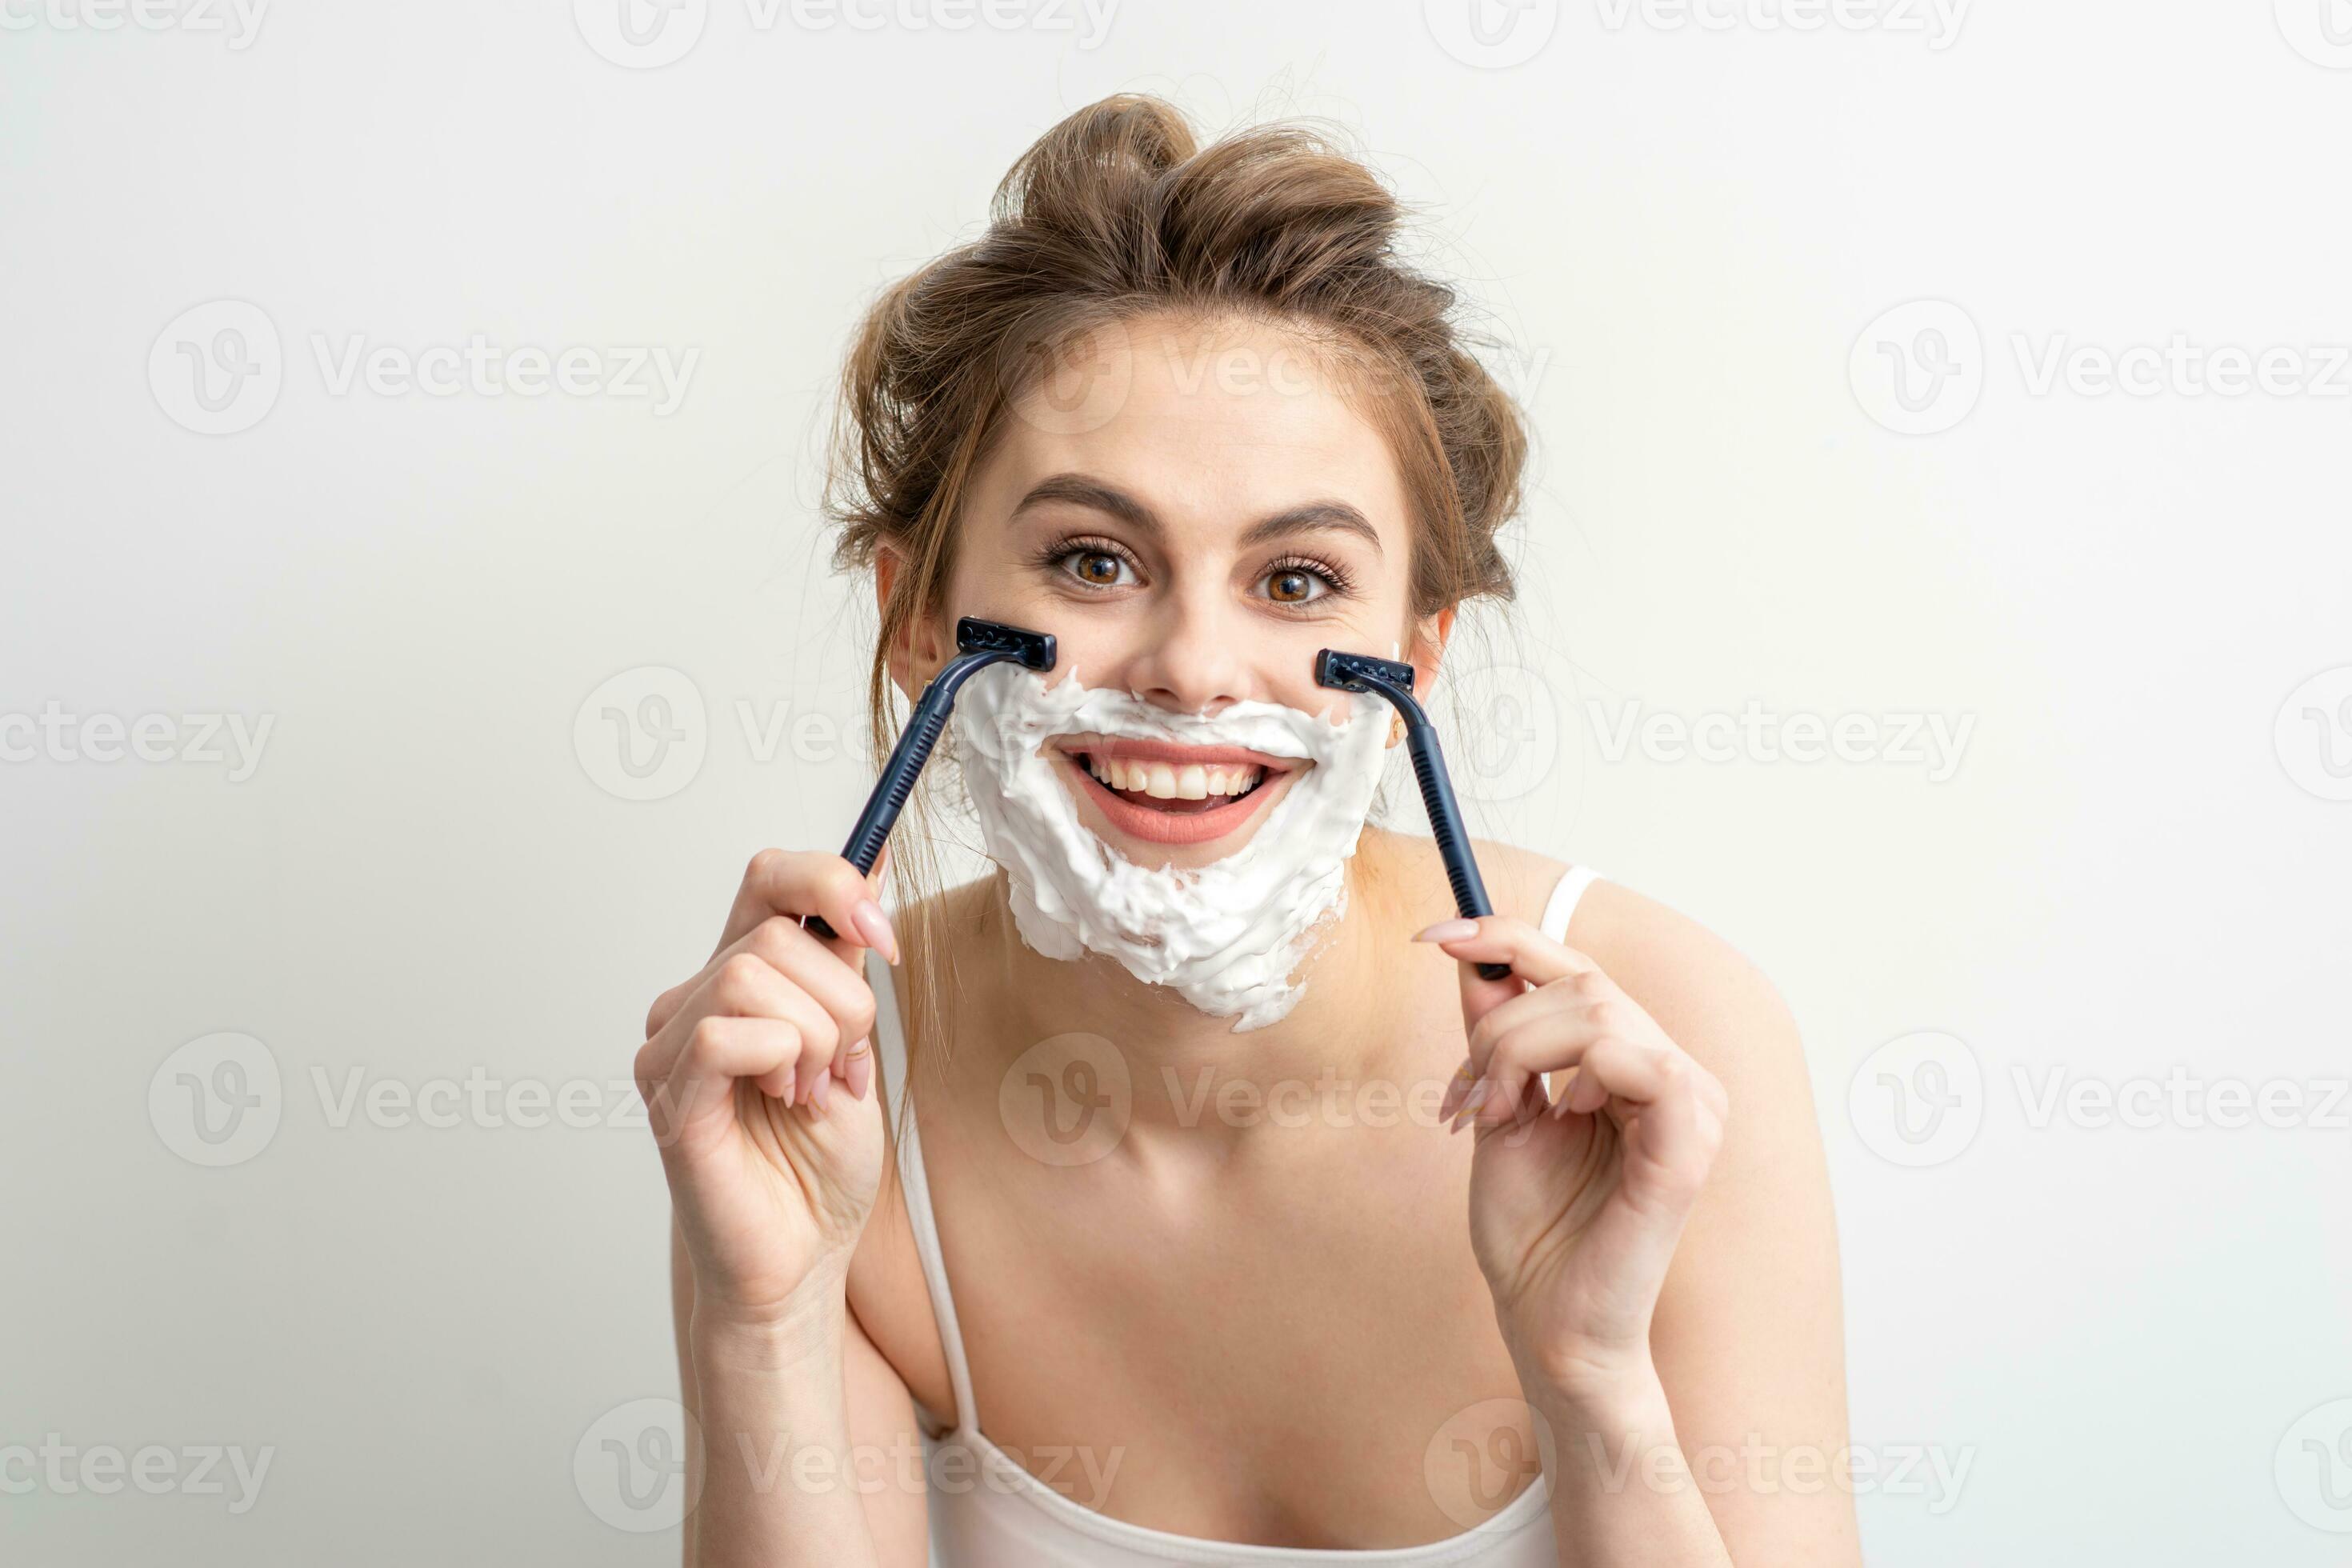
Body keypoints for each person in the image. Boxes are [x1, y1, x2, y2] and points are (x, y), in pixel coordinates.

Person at [635, 94, 1858, 1567]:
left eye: (1294, 582)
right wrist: (760, 1324)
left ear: (1418, 651)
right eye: (1093, 561)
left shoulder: (1666, 1050)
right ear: (915, 618)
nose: (1194, 670)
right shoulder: (822, 1084)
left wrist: (1596, 1387)